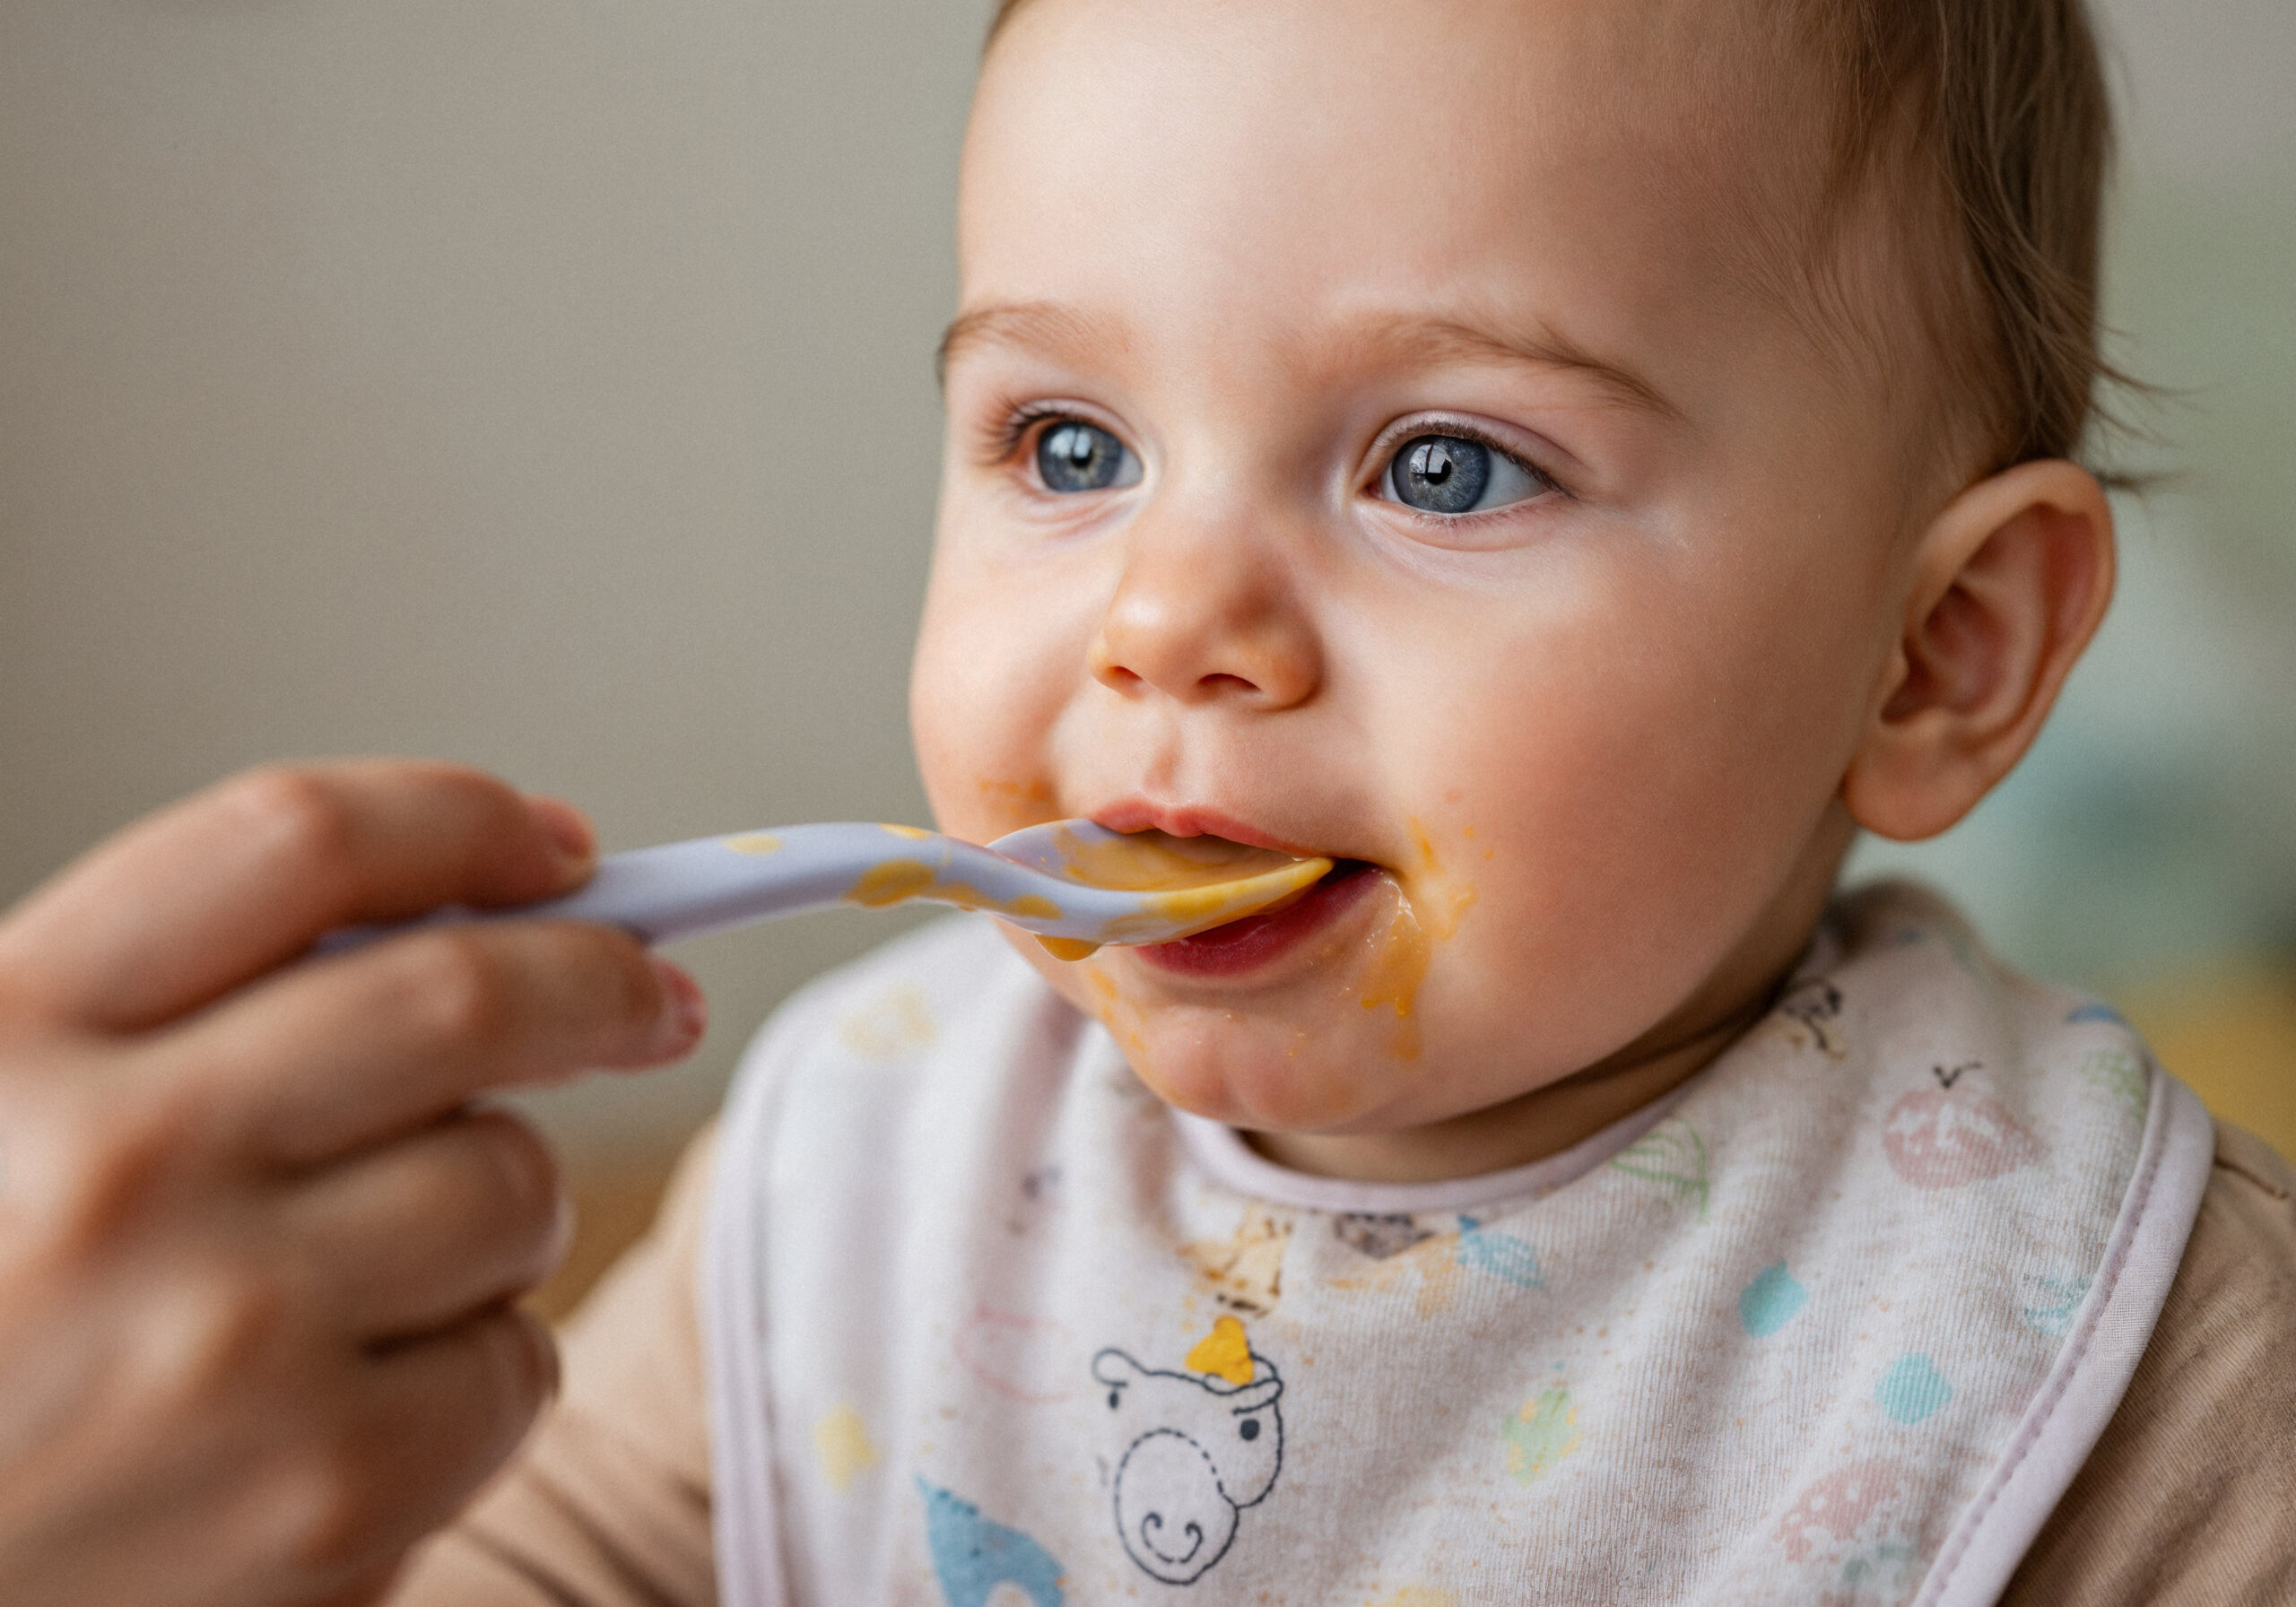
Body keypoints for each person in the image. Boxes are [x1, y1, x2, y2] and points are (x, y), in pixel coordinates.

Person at [3, 0, 2290, 1602]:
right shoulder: (872, 1173)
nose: (1164, 615)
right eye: (1064, 446)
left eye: (1445, 464)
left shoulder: (2130, 1340)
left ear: (1936, 650)